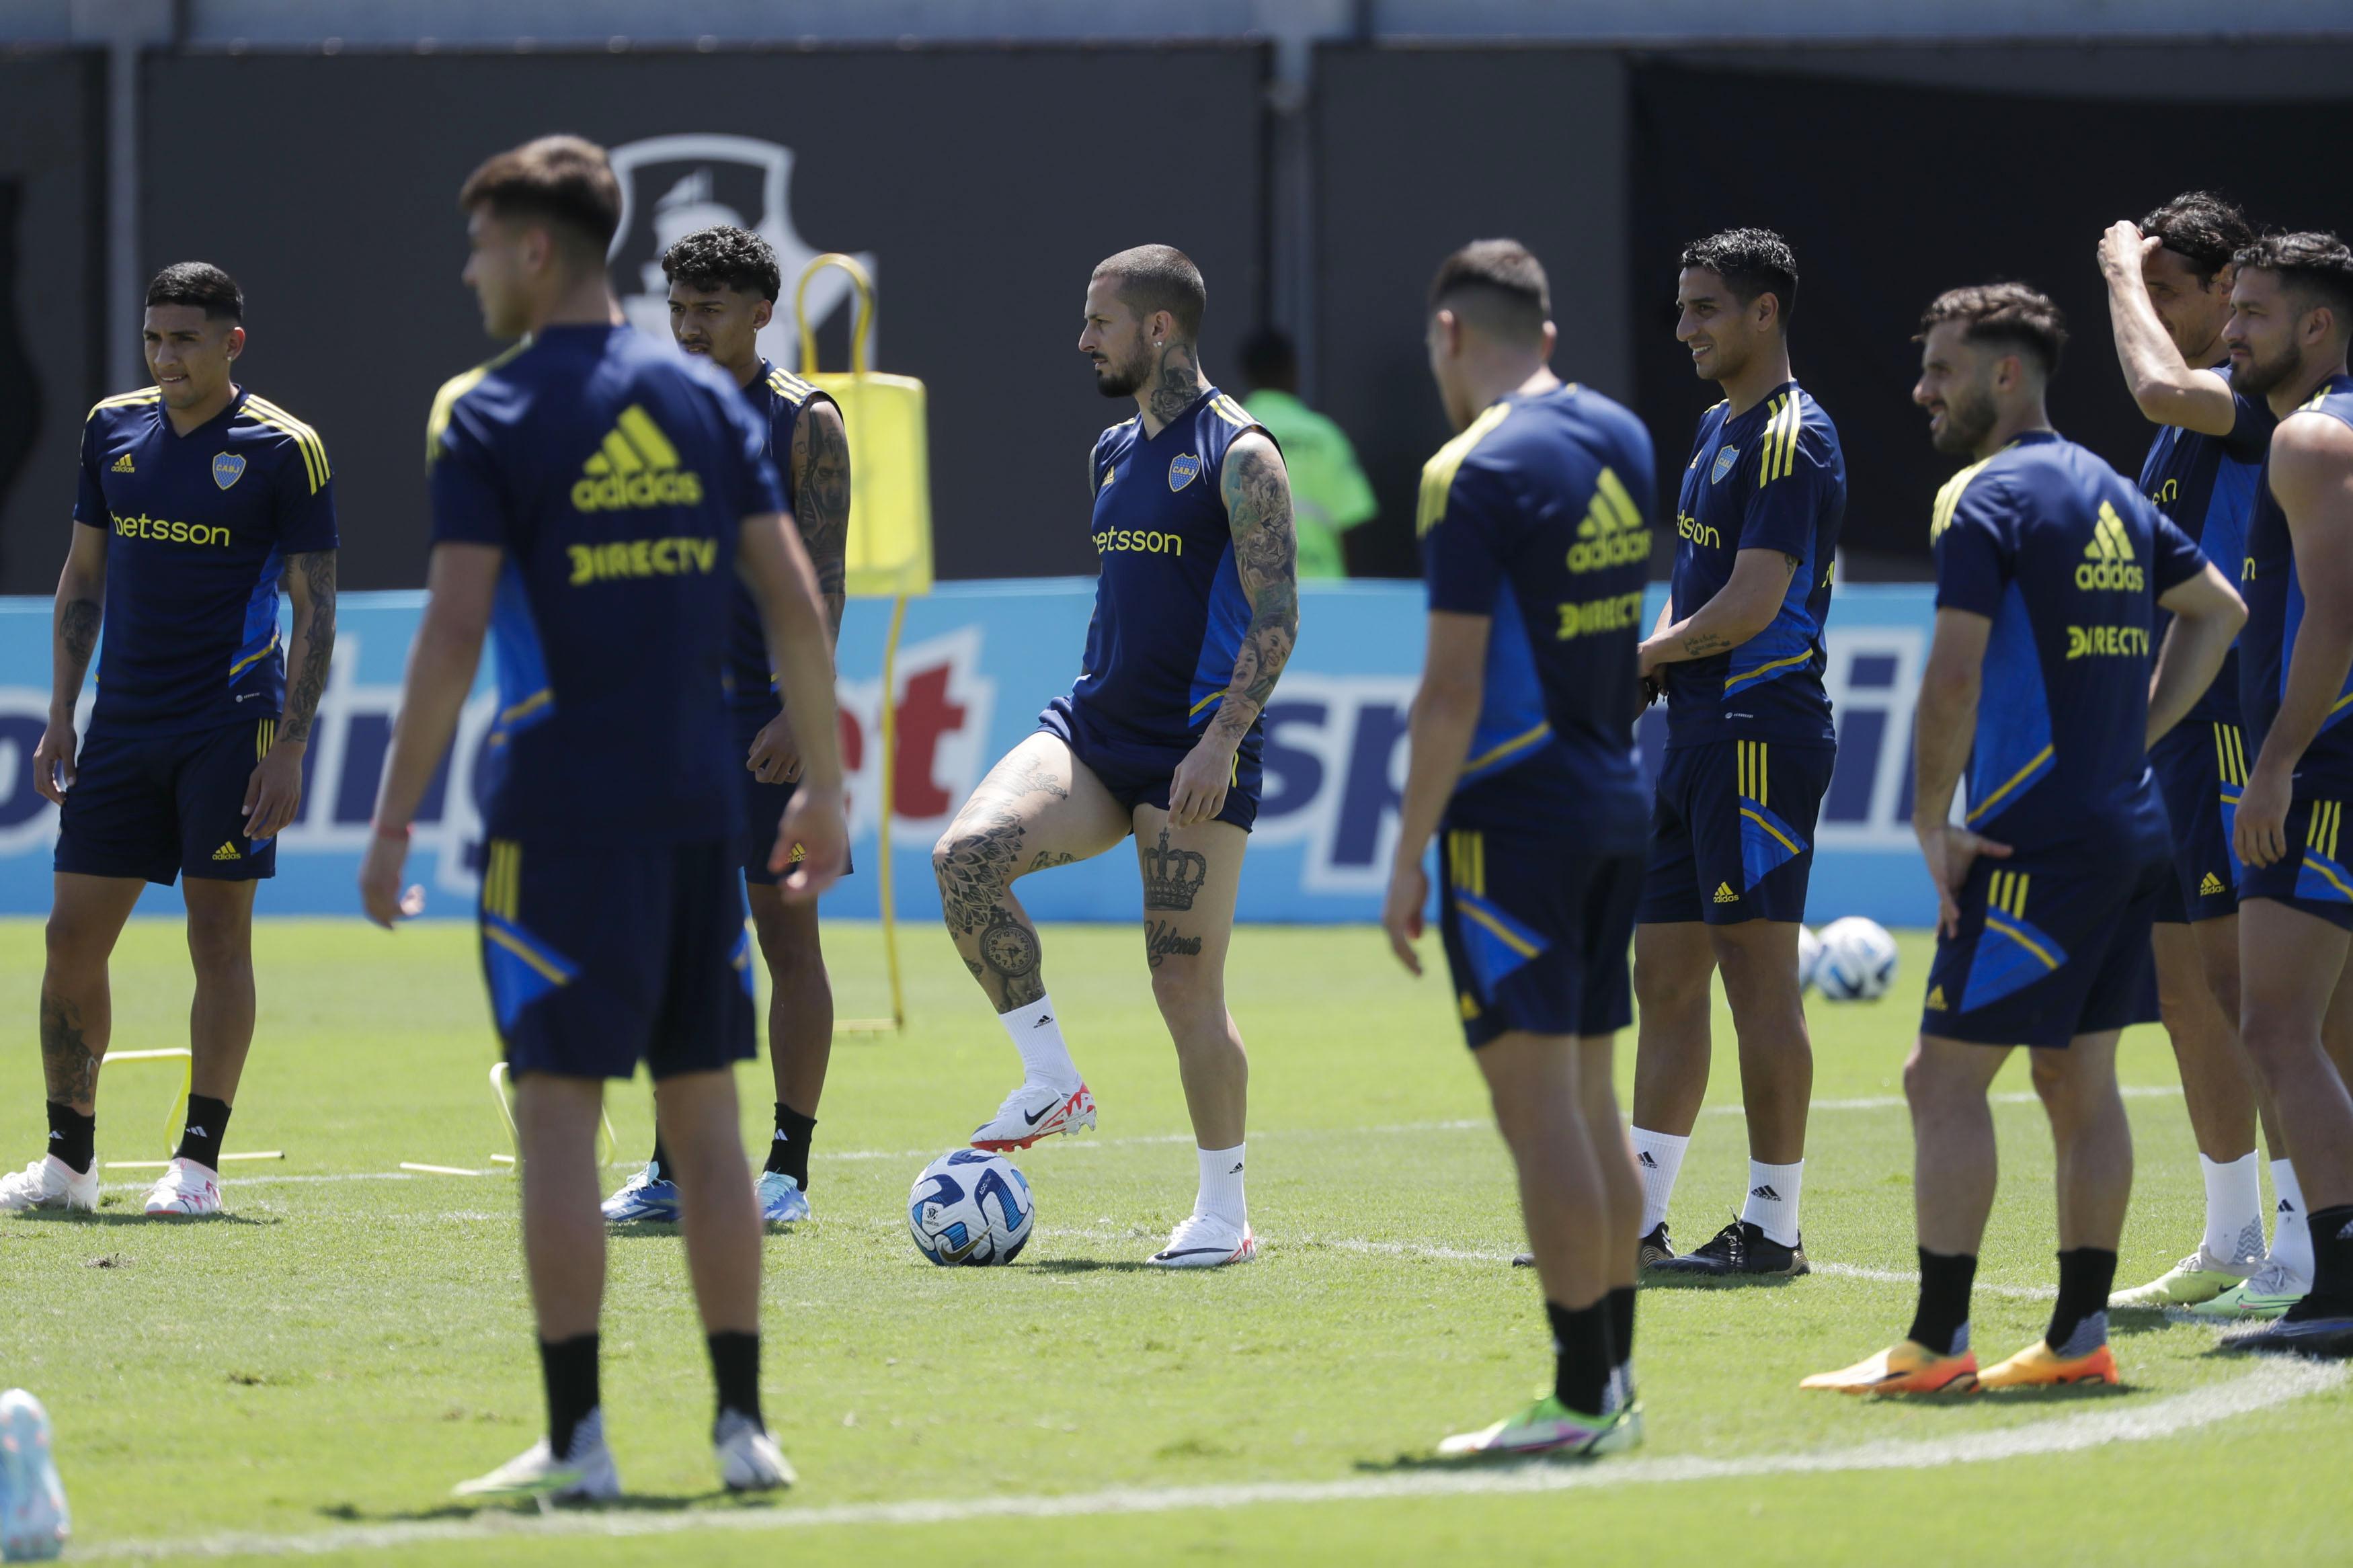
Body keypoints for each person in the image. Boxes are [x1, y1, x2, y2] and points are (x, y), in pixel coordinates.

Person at [357, 135, 847, 1498]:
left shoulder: (485, 407)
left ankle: (579, 1439)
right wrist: (828, 780)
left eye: (476, 248)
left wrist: (392, 819)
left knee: (562, 1121)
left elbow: (455, 626)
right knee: (705, 1123)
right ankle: (743, 1426)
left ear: (531, 250)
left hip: (555, 816)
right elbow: (798, 602)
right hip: (699, 807)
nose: (467, 274)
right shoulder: (701, 401)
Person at [1806, 283, 2244, 1394]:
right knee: (2076, 1076)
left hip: (2033, 837)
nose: (1922, 390)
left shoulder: (1988, 497)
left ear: (2006, 374)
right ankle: (2078, 1334)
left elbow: (1954, 674)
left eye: (1942, 368)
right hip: (2126, 823)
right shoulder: (2109, 485)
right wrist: (2136, 736)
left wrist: (1927, 818)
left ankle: (1938, 1341)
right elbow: (2220, 609)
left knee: (1939, 1079)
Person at [930, 244, 1297, 1268]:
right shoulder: (1107, 449)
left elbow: (1278, 620)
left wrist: (1221, 741)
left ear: (1160, 328)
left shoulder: (1242, 453)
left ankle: (1223, 1214)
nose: (1083, 337)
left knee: (1184, 987)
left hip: (1194, 750)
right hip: (1092, 734)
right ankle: (1052, 1081)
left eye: (1100, 320)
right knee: (964, 859)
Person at [1382, 239, 1650, 1457]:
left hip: (1514, 815)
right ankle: (1617, 1382)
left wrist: (1406, 854)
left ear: (1449, 333)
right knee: (1590, 1103)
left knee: (1539, 1114)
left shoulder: (1466, 467)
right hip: (1611, 794)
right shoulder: (1624, 434)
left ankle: (1580, 1399)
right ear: (1543, 330)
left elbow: (1451, 689)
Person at [0, 263, 336, 1220]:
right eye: (154, 339)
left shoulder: (286, 449)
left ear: (232, 341)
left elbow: (316, 608)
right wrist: (63, 711)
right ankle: (69, 1164)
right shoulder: (113, 428)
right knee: (69, 937)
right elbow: (83, 575)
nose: (165, 357)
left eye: (184, 340)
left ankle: (196, 1165)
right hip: (123, 726)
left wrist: (293, 745)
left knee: (217, 938)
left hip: (232, 727)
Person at [600, 223, 852, 1228]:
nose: (690, 326)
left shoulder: (805, 422)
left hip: (762, 713)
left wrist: (802, 708)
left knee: (783, 935)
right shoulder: (651, 412)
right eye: (679, 308)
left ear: (761, 312)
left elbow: (825, 582)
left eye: (710, 308)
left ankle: (786, 1171)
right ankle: (672, 1167)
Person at [2096, 193, 2300, 1315]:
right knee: (2185, 991)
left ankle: (2303, 1236)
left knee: (2254, 988)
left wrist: (2122, 265)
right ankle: (2230, 1237)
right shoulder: (2183, 426)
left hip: (2243, 719)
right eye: (2149, 287)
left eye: (2178, 287)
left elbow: (2158, 380)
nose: (2151, 305)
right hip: (2178, 731)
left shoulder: (2250, 400)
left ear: (2232, 295)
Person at [1630, 229, 1846, 1278]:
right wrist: (1663, 669)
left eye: (1706, 307)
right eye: (1682, 307)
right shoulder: (1720, 427)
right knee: (1663, 977)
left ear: (1766, 312)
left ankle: (1773, 1227)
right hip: (1700, 734)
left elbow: (1755, 604)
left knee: (1760, 986)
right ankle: (1631, 1217)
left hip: (1762, 733)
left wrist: (1647, 654)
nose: (1685, 328)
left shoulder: (1793, 438)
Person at [2212, 231, 2353, 1357]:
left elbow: (2338, 620)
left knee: (2273, 1024)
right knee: (2330, 1036)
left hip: (2325, 768)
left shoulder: (2310, 437)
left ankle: (2339, 1281)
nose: (2230, 334)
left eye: (2253, 313)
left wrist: (2277, 761)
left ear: (2316, 326)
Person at [1238, 327, 1376, 579]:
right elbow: (1354, 524)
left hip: (1255, 593)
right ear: (1293, 370)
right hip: (1325, 590)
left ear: (1248, 374)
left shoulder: (1231, 436)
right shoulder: (1324, 436)